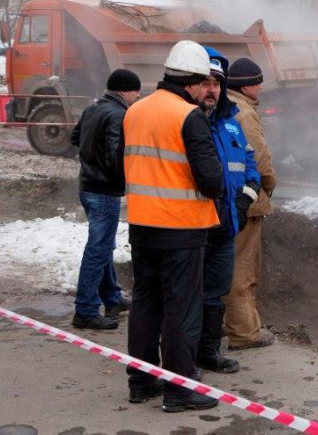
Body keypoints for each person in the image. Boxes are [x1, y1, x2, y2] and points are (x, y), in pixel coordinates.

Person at [123, 40, 225, 413]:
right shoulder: (188, 115)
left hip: (142, 225)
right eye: (205, 84)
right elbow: (210, 178)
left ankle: (141, 382)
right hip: (181, 229)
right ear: (194, 82)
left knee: (146, 305)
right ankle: (180, 389)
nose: (206, 92)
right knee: (181, 310)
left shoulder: (136, 110)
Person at [196, 47, 260, 374]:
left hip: (225, 225)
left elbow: (252, 167)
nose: (212, 89)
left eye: (217, 83)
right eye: (206, 82)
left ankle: (208, 352)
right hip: (193, 227)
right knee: (186, 293)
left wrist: (243, 202)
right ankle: (181, 356)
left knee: (216, 292)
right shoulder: (188, 122)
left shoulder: (231, 124)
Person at [70, 68, 141, 330]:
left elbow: (75, 137)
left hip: (87, 187)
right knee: (98, 249)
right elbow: (115, 155)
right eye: (135, 90)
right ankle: (85, 310)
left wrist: (91, 160)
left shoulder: (93, 109)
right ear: (124, 90)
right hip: (104, 191)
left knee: (103, 246)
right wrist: (123, 182)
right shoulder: (119, 114)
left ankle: (112, 298)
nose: (138, 95)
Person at [222, 58, 277, 351]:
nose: (260, 87)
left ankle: (225, 322)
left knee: (223, 263)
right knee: (243, 268)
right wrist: (266, 189)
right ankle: (245, 332)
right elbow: (260, 159)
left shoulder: (224, 105)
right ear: (245, 85)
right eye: (257, 82)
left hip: (227, 198)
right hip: (247, 198)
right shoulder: (244, 113)